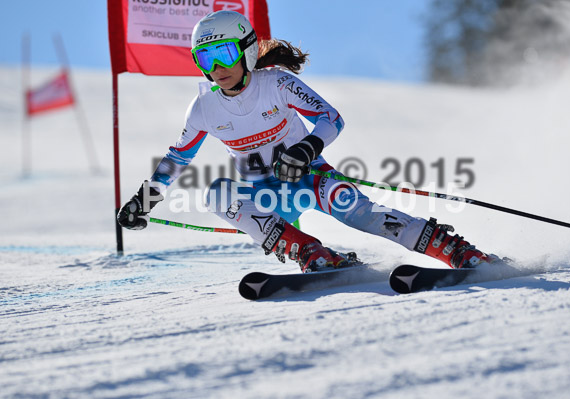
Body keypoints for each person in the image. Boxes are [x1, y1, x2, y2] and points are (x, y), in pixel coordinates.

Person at [117, 10, 497, 272]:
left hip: (311, 178)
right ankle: (310, 253)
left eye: (225, 54)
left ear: (247, 50)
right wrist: (143, 201)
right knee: (216, 193)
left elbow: (331, 119)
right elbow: (176, 161)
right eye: (206, 58)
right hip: (268, 197)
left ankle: (455, 251)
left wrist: (305, 149)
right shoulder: (203, 108)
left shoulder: (277, 83)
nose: (217, 69)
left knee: (361, 214)